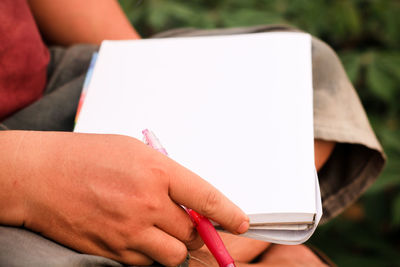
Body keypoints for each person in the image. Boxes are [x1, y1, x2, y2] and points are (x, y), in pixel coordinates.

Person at [0, 0, 385, 266]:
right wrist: (30, 174)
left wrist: (143, 72)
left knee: (308, 72)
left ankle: (192, 249)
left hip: (50, 81)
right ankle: (210, 252)